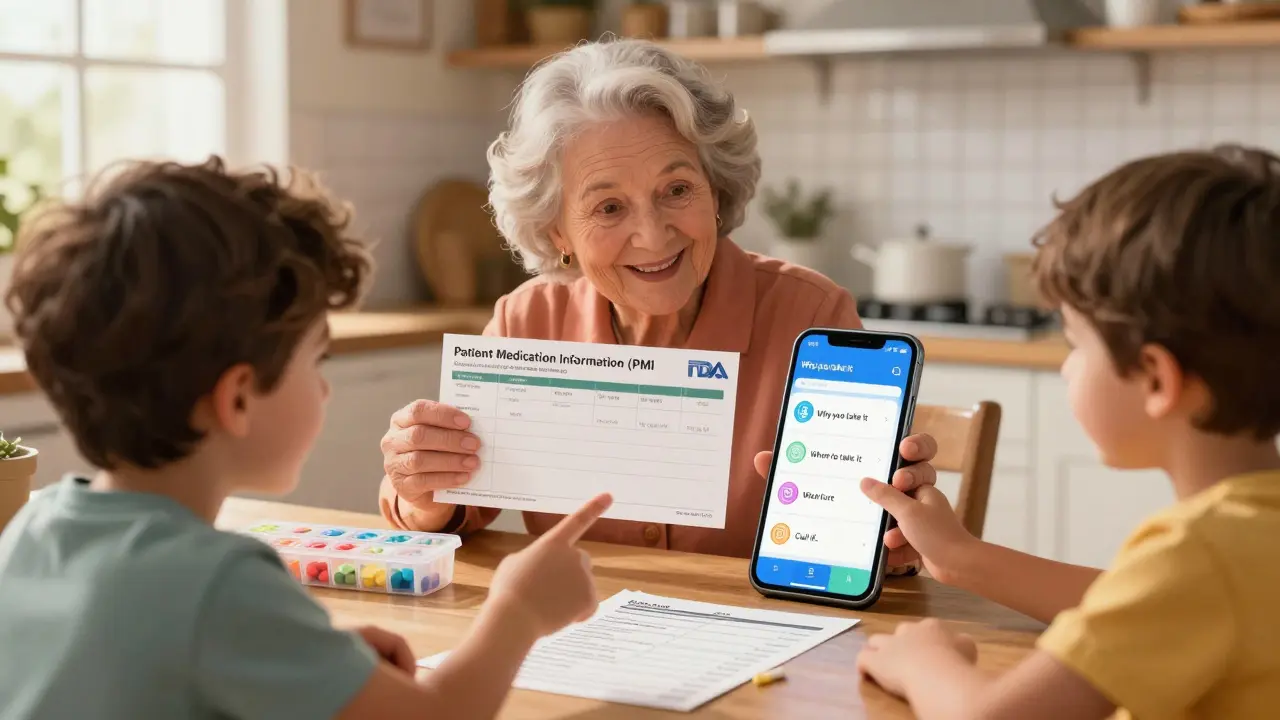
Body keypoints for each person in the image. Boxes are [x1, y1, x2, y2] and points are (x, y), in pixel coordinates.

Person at [0, 157, 613, 720]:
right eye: (314, 362)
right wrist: (518, 612)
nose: (322, 391)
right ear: (237, 398)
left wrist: (315, 664)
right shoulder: (221, 585)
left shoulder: (34, 529)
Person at [377, 39, 940, 559]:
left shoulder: (811, 318)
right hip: (579, 634)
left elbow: (866, 547)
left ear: (715, 190)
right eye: (609, 207)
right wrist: (426, 489)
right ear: (557, 233)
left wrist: (887, 535)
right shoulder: (529, 320)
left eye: (676, 190)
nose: (652, 235)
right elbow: (456, 509)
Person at [854, 145, 1280, 719]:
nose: (1065, 366)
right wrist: (959, 556)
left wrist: (923, 663)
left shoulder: (1198, 553)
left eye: (1076, 343)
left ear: (1156, 378)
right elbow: (1137, 603)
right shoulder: (1245, 536)